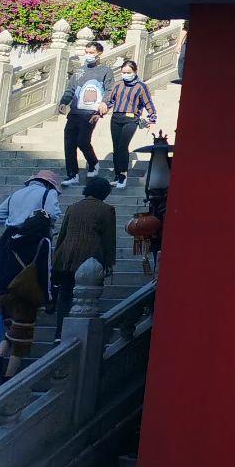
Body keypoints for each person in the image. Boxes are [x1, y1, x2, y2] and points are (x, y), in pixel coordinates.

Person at [0, 214, 53, 376]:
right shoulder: (43, 242)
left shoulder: (11, 238)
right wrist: (48, 297)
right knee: (22, 339)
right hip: (24, 295)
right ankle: (9, 377)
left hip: (3, 292)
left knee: (11, 328)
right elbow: (45, 272)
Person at [53, 175, 117, 329]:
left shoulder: (72, 207)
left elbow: (62, 234)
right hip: (91, 257)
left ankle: (59, 332)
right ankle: (81, 329)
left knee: (65, 293)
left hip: (67, 256)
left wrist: (56, 257)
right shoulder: (107, 210)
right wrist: (109, 262)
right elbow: (108, 238)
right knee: (89, 294)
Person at [58, 42, 113, 181]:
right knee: (69, 142)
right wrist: (64, 102)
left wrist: (104, 103)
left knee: (82, 140)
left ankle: (93, 163)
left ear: (99, 53)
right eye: (86, 52)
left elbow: (110, 89)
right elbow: (70, 89)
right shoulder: (79, 71)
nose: (88, 55)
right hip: (75, 112)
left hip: (91, 113)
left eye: (91, 52)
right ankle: (72, 174)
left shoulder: (105, 71)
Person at [106, 59, 157, 183]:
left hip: (131, 118)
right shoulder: (118, 84)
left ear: (134, 72)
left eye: (128, 72)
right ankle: (117, 175)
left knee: (123, 146)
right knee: (116, 147)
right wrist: (100, 111)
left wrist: (152, 118)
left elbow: (148, 102)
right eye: (123, 72)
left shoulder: (141, 86)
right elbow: (110, 100)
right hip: (116, 117)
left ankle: (123, 175)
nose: (126, 75)